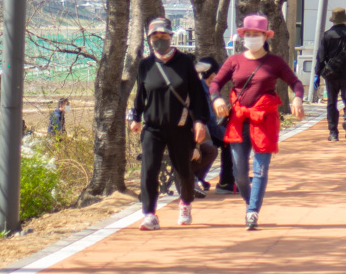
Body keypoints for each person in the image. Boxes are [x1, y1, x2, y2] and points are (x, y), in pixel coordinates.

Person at [210, 14, 304, 231]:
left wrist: (298, 97)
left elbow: (295, 82)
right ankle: (250, 201)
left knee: (260, 170)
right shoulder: (234, 61)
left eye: (256, 34)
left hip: (264, 120)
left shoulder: (275, 62)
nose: (251, 37)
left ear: (265, 36)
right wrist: (216, 99)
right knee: (239, 172)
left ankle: (252, 211)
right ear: (243, 36)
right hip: (239, 119)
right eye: (248, 34)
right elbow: (215, 84)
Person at [130, 18, 210, 230]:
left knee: (183, 170)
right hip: (153, 127)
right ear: (149, 39)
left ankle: (185, 204)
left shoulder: (184, 63)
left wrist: (200, 121)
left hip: (180, 126)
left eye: (163, 36)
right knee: (148, 170)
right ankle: (149, 214)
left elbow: (198, 96)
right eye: (155, 36)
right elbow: (140, 95)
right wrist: (135, 116)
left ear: (171, 36)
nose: (160, 40)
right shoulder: (145, 65)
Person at [315, 7, 346, 142]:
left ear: (333, 20)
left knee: (332, 102)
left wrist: (318, 73)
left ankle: (333, 132)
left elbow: (321, 57)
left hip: (331, 74)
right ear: (345, 19)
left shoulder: (327, 35)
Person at [194, 55, 235, 193]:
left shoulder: (204, 87)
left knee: (226, 141)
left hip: (204, 128)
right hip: (198, 129)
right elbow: (209, 119)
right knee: (228, 141)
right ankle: (226, 182)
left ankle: (227, 179)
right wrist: (225, 133)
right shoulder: (201, 89)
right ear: (212, 75)